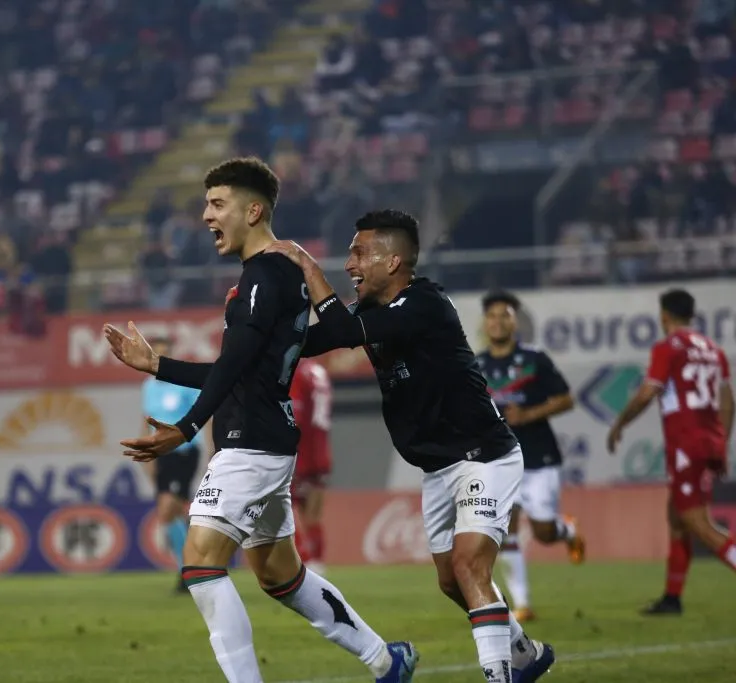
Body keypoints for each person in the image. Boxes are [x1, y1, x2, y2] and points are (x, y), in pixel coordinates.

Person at [104, 157, 417, 683]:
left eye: (217, 203)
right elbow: (250, 363)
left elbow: (234, 364)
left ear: (253, 211)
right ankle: (387, 661)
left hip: (250, 444)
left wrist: (184, 428)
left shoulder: (263, 276)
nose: (206, 215)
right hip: (264, 440)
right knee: (281, 576)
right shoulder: (274, 275)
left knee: (201, 564)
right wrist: (156, 364)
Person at [265, 209, 554, 683]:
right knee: (450, 581)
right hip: (439, 468)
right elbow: (313, 339)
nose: (351, 263)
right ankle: (523, 650)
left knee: (468, 565)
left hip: (484, 454)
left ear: (393, 260)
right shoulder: (372, 313)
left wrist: (307, 266)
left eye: (360, 253)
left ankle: (501, 675)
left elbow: (341, 333)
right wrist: (257, 335)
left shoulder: (425, 304)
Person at [607, 288, 735, 615]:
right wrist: (721, 442)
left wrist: (620, 423)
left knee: (696, 522)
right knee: (677, 517)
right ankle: (672, 598)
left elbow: (649, 392)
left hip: (686, 443)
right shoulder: (714, 350)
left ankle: (673, 597)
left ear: (664, 315)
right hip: (709, 440)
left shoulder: (668, 348)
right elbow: (727, 401)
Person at [476, 290, 586, 623]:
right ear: (485, 323)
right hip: (499, 460)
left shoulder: (535, 360)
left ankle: (565, 530)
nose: (497, 321)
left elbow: (566, 399)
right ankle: (522, 603)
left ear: (515, 321)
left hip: (539, 458)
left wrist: (529, 413)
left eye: (504, 315)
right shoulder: (477, 365)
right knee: (505, 530)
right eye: (492, 316)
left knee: (542, 532)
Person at [141, 335, 205, 593]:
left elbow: (202, 414)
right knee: (169, 512)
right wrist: (147, 453)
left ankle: (189, 571)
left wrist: (211, 449)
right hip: (161, 452)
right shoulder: (147, 386)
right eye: (156, 353)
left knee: (170, 507)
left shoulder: (184, 383)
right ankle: (190, 570)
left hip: (184, 450)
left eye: (164, 353)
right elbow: (145, 420)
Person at [290, 355, 333, 575]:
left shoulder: (295, 372)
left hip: (300, 452)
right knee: (312, 515)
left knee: (281, 509)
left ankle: (302, 563)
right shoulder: (318, 371)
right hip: (321, 451)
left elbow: (294, 414)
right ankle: (317, 562)